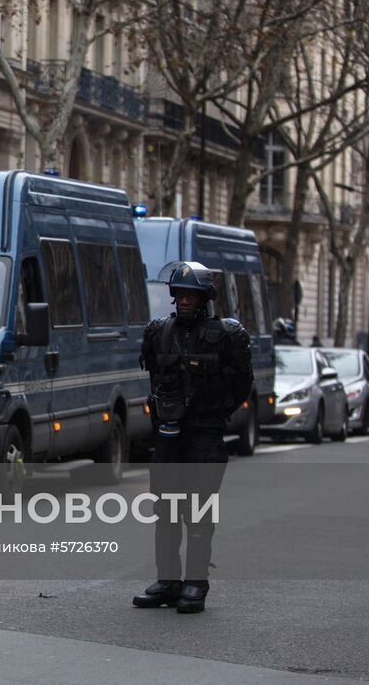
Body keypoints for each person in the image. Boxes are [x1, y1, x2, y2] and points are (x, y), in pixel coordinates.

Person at [134, 262, 253, 614]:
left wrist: (214, 413)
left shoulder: (228, 335)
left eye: (192, 295)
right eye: (181, 294)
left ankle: (196, 583)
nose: (185, 301)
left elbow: (242, 384)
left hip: (205, 433)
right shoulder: (159, 332)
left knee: (198, 512)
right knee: (165, 510)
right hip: (170, 435)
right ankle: (168, 581)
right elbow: (155, 378)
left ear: (204, 298)